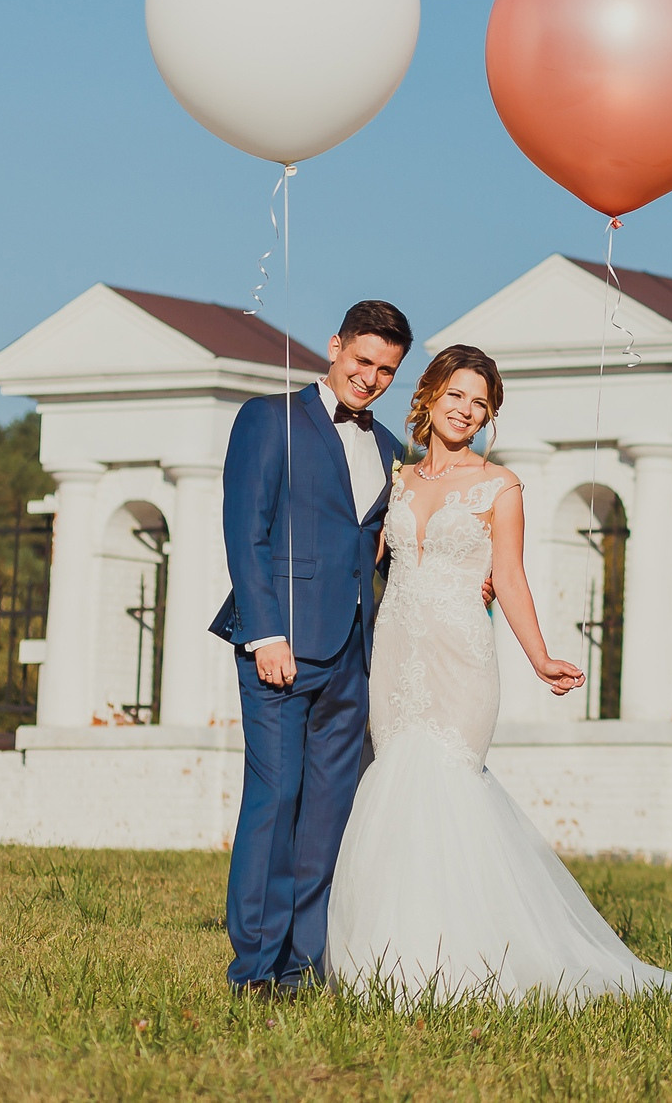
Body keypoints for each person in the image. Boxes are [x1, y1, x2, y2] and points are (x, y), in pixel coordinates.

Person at [326, 343, 672, 1006]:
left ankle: (464, 961)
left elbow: (509, 577)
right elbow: (363, 558)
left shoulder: (501, 485)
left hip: (461, 659)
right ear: (429, 394)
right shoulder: (396, 479)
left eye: (480, 403)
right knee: (393, 790)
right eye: (457, 395)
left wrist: (540, 657)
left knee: (446, 788)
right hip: (395, 653)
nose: (466, 410)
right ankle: (388, 958)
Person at [212, 298, 412, 996]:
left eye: (386, 370)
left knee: (329, 813)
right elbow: (246, 530)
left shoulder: (390, 448)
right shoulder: (268, 419)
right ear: (335, 347)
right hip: (282, 645)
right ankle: (255, 968)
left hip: (355, 654)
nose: (371, 378)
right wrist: (265, 632)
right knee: (276, 800)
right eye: (362, 360)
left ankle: (303, 965)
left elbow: (381, 548)